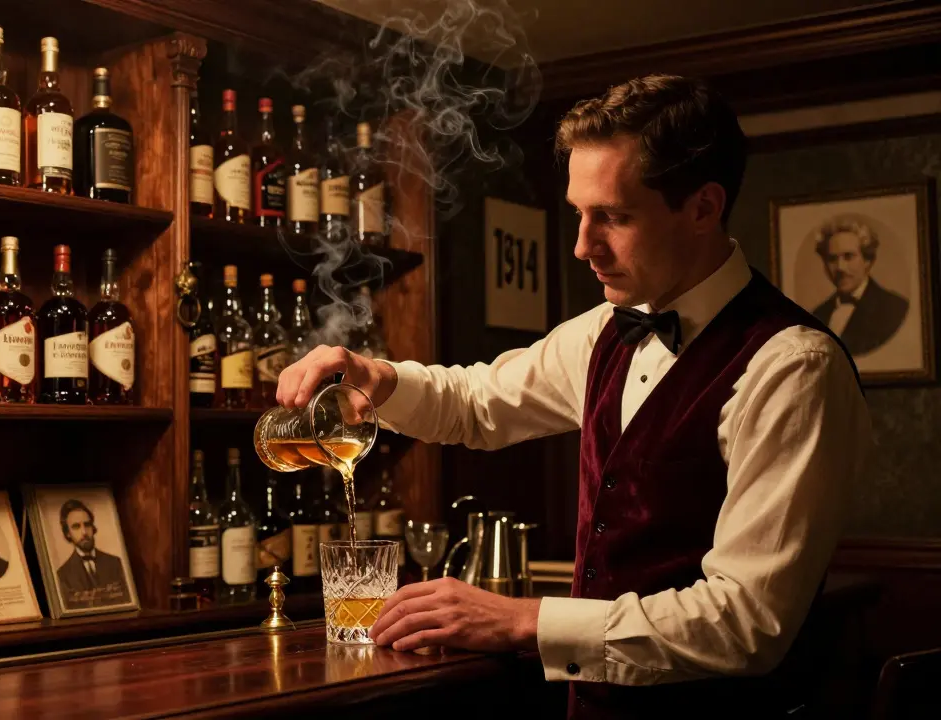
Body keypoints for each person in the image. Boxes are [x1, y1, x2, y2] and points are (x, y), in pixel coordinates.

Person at [276, 75, 869, 718]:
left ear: (703, 207)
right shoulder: (605, 331)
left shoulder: (792, 369)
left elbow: (745, 622)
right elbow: (478, 402)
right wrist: (380, 377)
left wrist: (526, 620)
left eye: (612, 216)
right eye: (579, 214)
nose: (583, 246)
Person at [810, 216, 908, 356]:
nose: (840, 268)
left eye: (849, 256)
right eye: (832, 259)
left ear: (867, 260)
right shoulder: (818, 315)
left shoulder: (895, 309)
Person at [55, 500, 128, 608]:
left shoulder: (115, 563)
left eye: (87, 525)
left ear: (93, 528)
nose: (84, 532)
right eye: (76, 527)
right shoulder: (62, 575)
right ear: (67, 533)